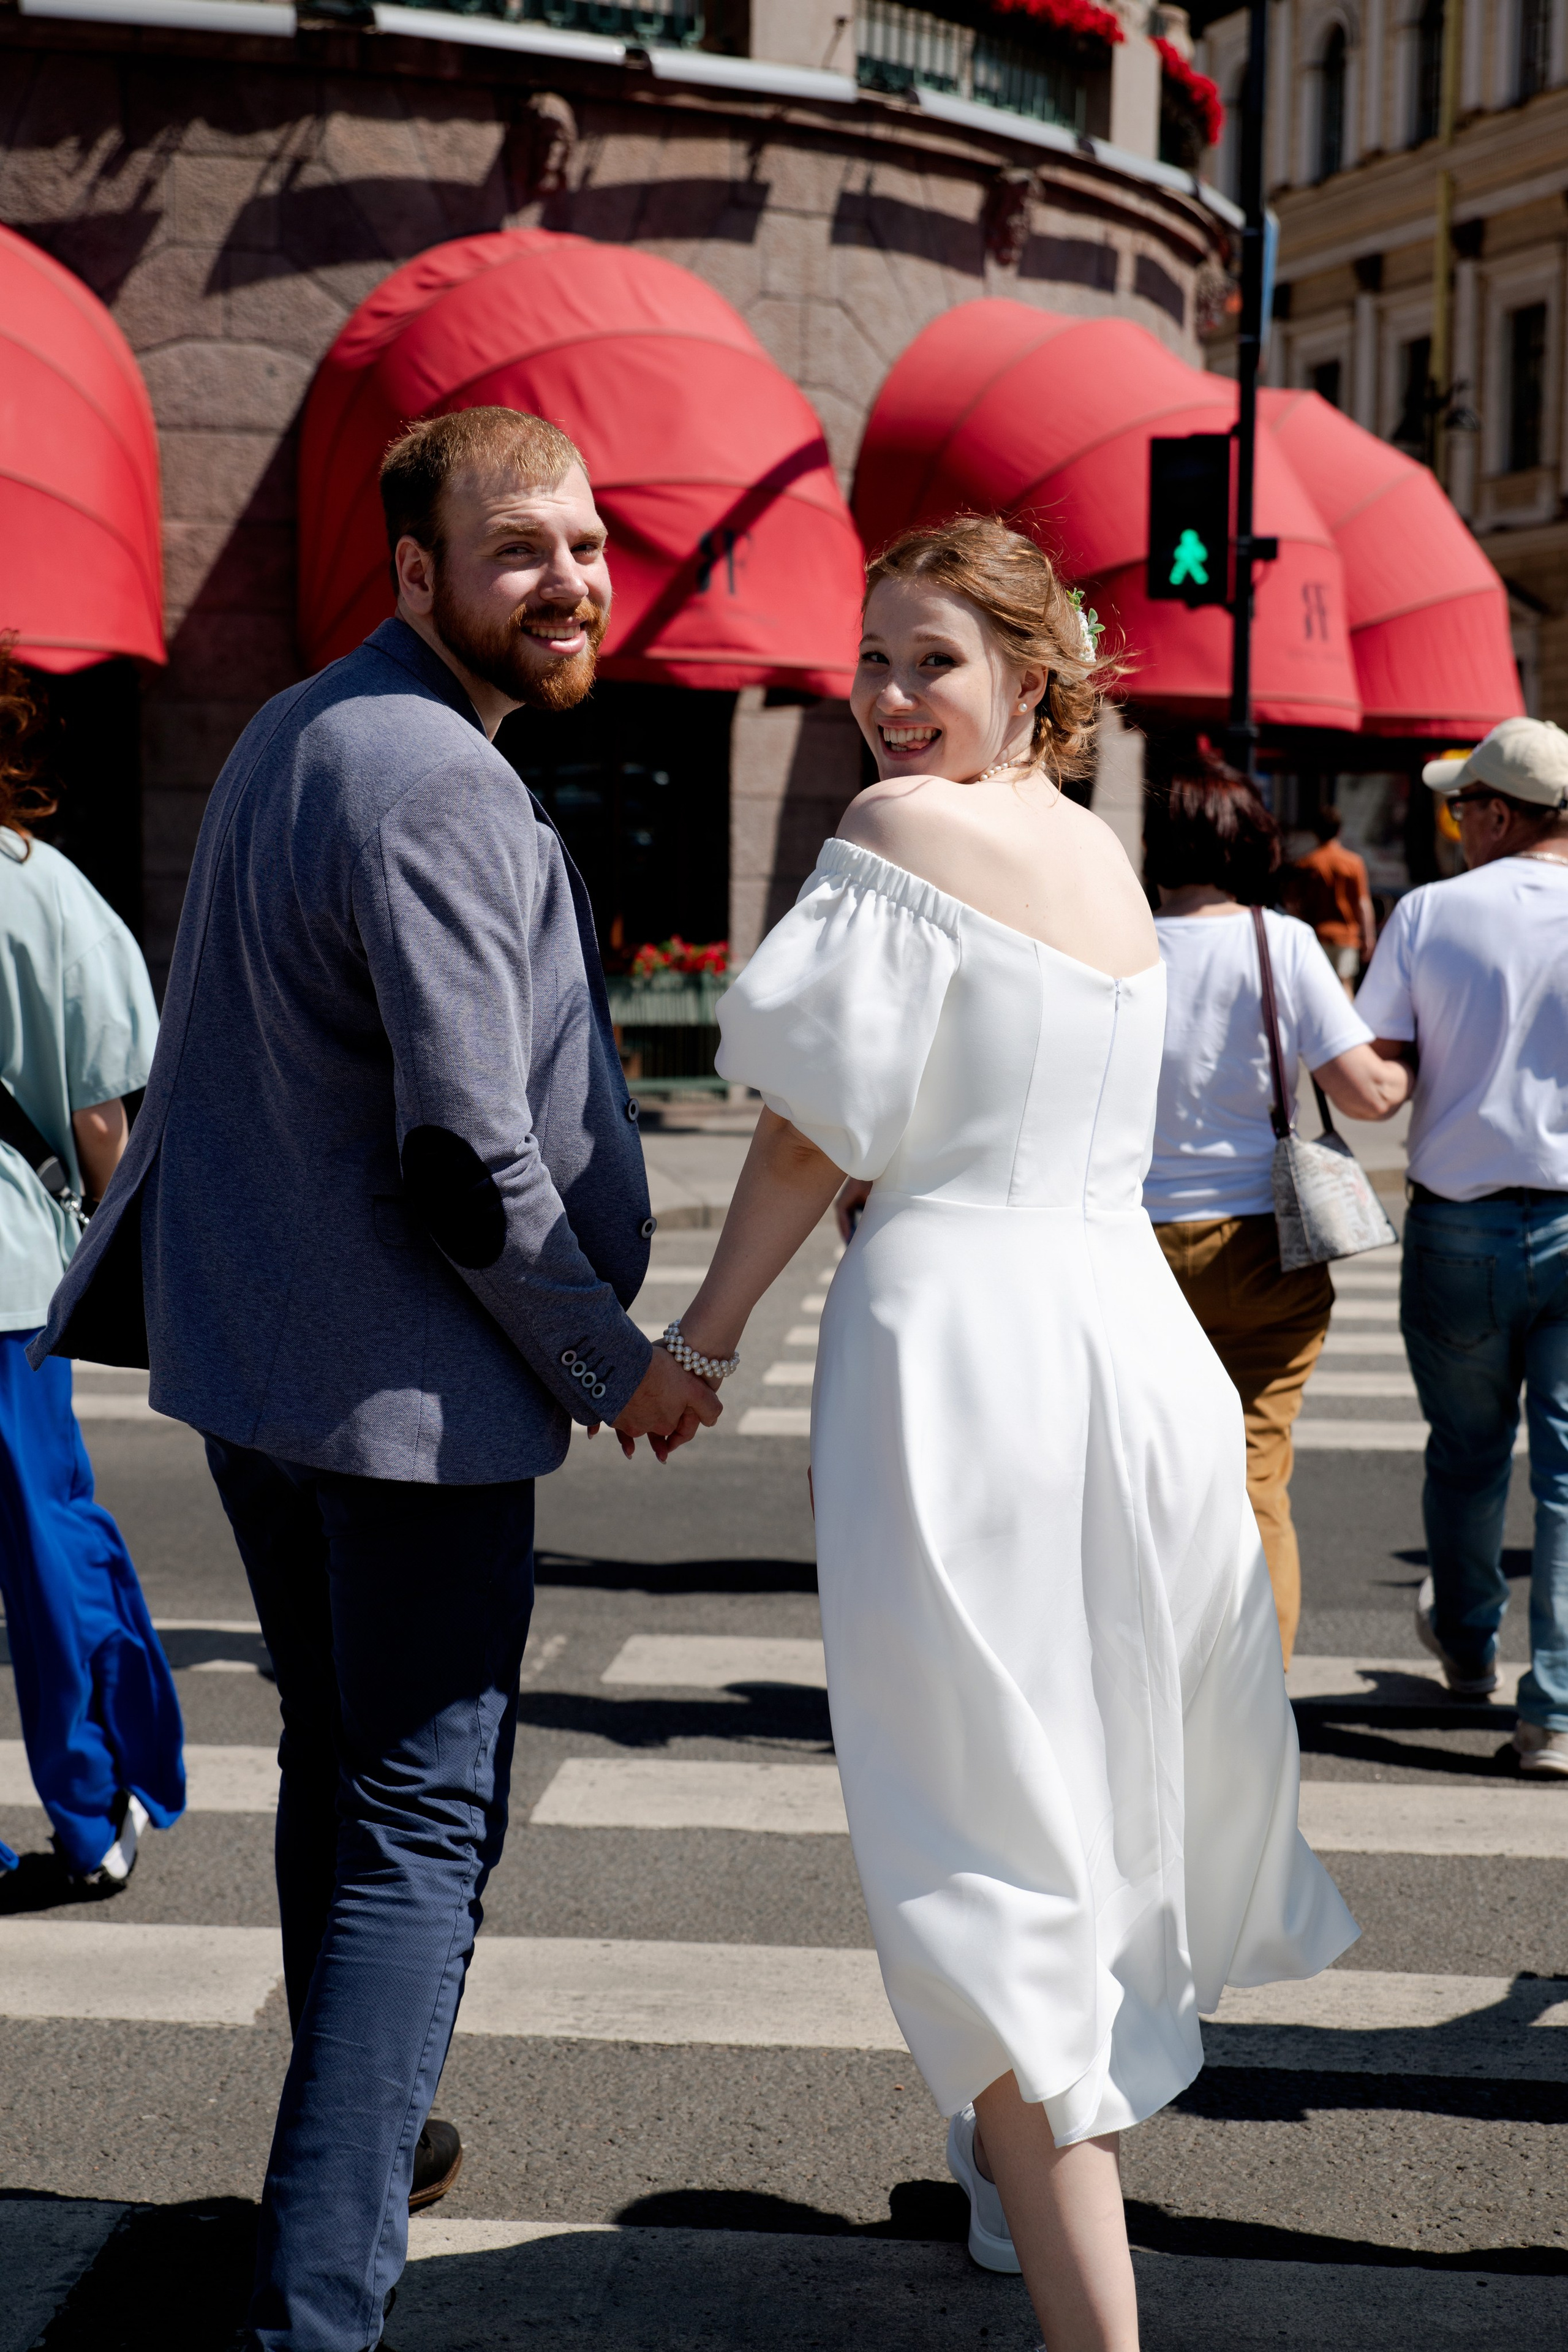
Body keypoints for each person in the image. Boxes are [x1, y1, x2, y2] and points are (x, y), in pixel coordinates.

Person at [32, 408, 720, 2352]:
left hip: (271, 1372)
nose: (570, 579)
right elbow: (463, 1156)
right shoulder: (437, 784)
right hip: (407, 1405)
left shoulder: (298, 727)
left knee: (346, 1781)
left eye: (586, 542)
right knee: (424, 1822)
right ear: (415, 573)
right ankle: (321, 2298)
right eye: (519, 548)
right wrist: (615, 1362)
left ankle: (356, 2137)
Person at [665, 518, 1355, 2352]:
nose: (889, 698)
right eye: (873, 658)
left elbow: (813, 1131)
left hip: (962, 1344)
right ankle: (1012, 2190)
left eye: (932, 660)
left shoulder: (900, 836)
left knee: (972, 1822)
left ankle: (1087, 2319)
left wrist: (706, 1337)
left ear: (1029, 675)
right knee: (1071, 1793)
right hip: (1121, 1346)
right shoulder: (1102, 862)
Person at [1144, 760, 1411, 1667]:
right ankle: (1256, 1699)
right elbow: (1368, 1095)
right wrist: (1411, 1064)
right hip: (1265, 1247)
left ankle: (1148, 1693)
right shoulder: (1281, 944)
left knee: (1145, 1488)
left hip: (1131, 1254)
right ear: (1251, 844)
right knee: (1255, 1478)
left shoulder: (1114, 948)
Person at [0, 644, 183, 1893]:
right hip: (8, 1275)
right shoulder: (40, 891)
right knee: (46, 1543)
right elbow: (103, 1120)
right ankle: (87, 1809)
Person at [1355, 716, 1568, 1776]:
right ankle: (1558, 1710)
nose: (1456, 826)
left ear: (1495, 813)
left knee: (1469, 1451)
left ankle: (1474, 1649)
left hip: (1461, 1219)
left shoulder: (1429, 914)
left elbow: (1377, 1063)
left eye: (1460, 808)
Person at [1285, 802, 1376, 997]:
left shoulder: (1307, 863)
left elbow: (1292, 903)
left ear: (1315, 832)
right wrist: (1368, 936)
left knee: (1318, 989)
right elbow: (1363, 903)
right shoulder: (1354, 863)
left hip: (1316, 935)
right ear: (1340, 831)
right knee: (1345, 985)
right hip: (1347, 936)